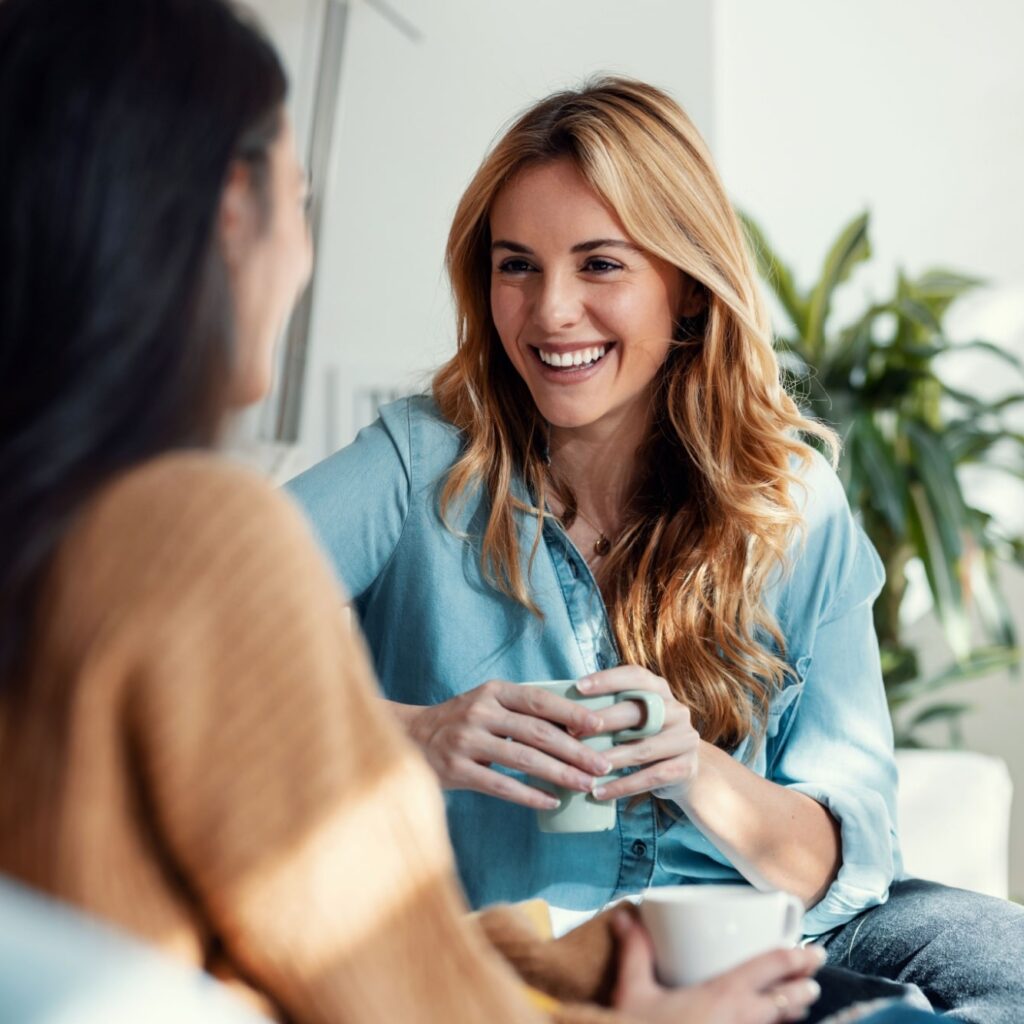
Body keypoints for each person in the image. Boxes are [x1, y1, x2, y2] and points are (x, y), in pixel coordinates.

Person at [0, 2, 843, 1023]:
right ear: (235, 210)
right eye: (301, 198)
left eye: (600, 262)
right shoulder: (201, 533)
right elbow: (383, 977)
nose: (550, 310)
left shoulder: (62, 523)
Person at [287, 76, 1024, 1022]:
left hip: (753, 935)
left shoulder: (790, 504)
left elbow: (838, 861)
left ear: (683, 286)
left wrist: (692, 770)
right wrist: (414, 734)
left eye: (600, 264)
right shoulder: (423, 461)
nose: (551, 311)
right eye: (518, 266)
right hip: (524, 952)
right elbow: (184, 620)